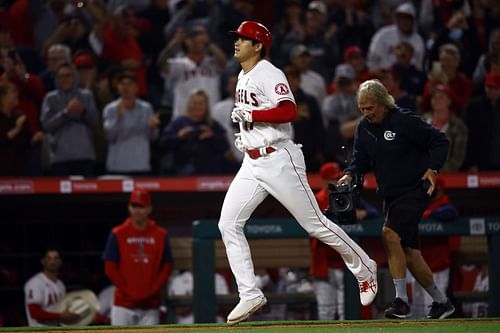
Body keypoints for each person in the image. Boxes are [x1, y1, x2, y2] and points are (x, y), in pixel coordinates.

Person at [218, 21, 378, 326]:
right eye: (236, 38)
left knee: (315, 224)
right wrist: (247, 131)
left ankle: (365, 268)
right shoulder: (241, 75)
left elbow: (289, 110)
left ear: (258, 45)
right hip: (252, 163)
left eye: (243, 39)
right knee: (228, 224)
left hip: (279, 159)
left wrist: (254, 114)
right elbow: (256, 119)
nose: (236, 42)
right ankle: (250, 293)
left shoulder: (270, 72)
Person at [337, 79, 454, 320]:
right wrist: (350, 174)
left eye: (370, 108)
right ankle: (442, 302)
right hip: (390, 196)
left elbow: (440, 141)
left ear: (383, 103)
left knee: (389, 235)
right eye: (362, 109)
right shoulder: (364, 128)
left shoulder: (404, 120)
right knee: (411, 254)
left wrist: (433, 168)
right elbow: (360, 160)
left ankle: (401, 301)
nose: (366, 113)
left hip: (414, 190)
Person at [310, 162, 381, 320]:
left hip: (346, 264)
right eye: (332, 179)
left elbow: (375, 213)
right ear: (323, 180)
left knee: (346, 310)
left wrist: (363, 213)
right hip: (324, 262)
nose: (336, 183)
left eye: (338, 178)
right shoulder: (317, 200)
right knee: (325, 311)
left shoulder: (348, 196)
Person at [102, 189, 173, 325]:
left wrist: (151, 291)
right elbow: (110, 268)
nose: (137, 210)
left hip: (150, 305)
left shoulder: (160, 234)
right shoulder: (117, 233)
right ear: (129, 208)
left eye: (141, 206)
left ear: (149, 209)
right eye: (134, 206)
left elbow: (167, 267)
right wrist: (130, 292)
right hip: (123, 304)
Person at [40, 62, 99, 177]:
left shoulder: (86, 96)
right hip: (60, 157)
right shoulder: (50, 98)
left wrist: (83, 111)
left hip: (85, 155)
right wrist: (66, 113)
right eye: (61, 76)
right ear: (56, 79)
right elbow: (46, 125)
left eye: (68, 75)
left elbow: (94, 122)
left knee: (86, 193)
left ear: (75, 77)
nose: (65, 79)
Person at [103, 71, 160, 175]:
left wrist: (153, 128)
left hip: (141, 166)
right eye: (122, 84)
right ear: (118, 88)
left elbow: (153, 137)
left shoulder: (146, 108)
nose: (126, 87)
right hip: (117, 167)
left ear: (136, 88)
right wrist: (118, 118)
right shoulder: (110, 109)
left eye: (130, 84)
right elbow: (110, 137)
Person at [24, 247, 81, 326]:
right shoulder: (35, 282)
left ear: (60, 261)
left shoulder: (61, 285)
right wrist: (61, 316)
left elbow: (62, 309)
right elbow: (34, 312)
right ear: (43, 261)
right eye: (49, 258)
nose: (52, 262)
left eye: (56, 258)